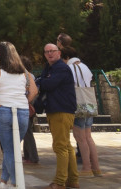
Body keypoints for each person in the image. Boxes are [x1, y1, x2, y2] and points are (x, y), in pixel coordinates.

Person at [0, 41, 38, 189]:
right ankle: (3, 182)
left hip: (3, 110)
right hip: (22, 111)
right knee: (13, 149)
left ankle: (15, 183)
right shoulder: (25, 72)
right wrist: (23, 102)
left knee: (8, 150)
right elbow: (34, 91)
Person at [38, 43, 78, 189]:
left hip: (61, 110)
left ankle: (60, 181)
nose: (49, 54)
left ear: (59, 53)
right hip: (57, 110)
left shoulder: (61, 68)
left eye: (52, 51)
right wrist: (42, 81)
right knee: (66, 146)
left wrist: (39, 82)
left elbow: (49, 85)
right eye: (47, 52)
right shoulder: (50, 68)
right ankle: (73, 180)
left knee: (60, 146)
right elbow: (45, 81)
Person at [63, 47, 102, 177]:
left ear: (66, 57)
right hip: (89, 104)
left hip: (78, 104)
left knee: (80, 137)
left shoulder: (70, 68)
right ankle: (96, 167)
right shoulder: (84, 66)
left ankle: (86, 168)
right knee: (88, 136)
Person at [20, 55, 39, 165]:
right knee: (27, 131)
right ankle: (28, 155)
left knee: (27, 132)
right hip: (29, 104)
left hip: (25, 104)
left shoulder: (25, 75)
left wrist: (25, 102)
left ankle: (33, 156)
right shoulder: (30, 75)